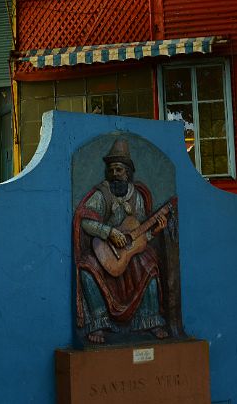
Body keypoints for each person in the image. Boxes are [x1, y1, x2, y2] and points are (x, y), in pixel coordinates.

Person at [73, 138, 171, 344]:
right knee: (86, 268)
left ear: (128, 172)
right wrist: (108, 232)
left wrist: (154, 232)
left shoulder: (137, 197)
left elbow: (138, 235)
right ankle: (99, 323)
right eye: (111, 170)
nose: (114, 174)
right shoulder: (102, 194)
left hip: (127, 253)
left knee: (150, 266)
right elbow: (85, 222)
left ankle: (149, 320)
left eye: (119, 170)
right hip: (104, 249)